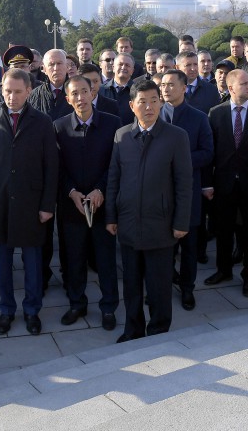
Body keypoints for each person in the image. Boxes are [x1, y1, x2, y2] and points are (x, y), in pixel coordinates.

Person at [107, 79, 192, 343]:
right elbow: (113, 179)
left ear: (161, 102)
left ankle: (158, 331)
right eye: (142, 101)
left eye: (154, 100)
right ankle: (132, 329)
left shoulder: (176, 136)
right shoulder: (122, 136)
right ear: (132, 106)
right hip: (129, 223)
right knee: (131, 285)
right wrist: (111, 216)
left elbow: (184, 184)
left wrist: (181, 222)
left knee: (159, 285)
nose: (149, 106)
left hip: (161, 225)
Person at [0, 68, 58, 336]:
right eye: (7, 91)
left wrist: (47, 205)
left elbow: (51, 167)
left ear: (29, 92)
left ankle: (32, 310)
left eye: (17, 92)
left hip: (32, 203)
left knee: (33, 262)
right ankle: (6, 309)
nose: (11, 97)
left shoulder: (43, 122)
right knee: (2, 262)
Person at [53, 75, 120, 329]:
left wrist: (100, 190)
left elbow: (115, 163)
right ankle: (76, 303)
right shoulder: (58, 127)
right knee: (74, 258)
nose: (81, 97)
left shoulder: (112, 124)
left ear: (93, 93)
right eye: (75, 94)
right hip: (72, 206)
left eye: (85, 91)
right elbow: (57, 168)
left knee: (105, 259)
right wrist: (71, 192)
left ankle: (109, 307)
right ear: (68, 99)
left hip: (102, 204)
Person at [203, 69, 248, 298]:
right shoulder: (215, 113)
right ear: (231, 88)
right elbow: (209, 153)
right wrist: (208, 184)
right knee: (223, 230)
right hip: (222, 185)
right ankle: (223, 270)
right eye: (244, 83)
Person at [159, 69, 214, 310]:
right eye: (163, 85)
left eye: (171, 84)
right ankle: (161, 285)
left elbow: (208, 153)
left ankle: (188, 288)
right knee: (162, 245)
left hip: (188, 191)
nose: (166, 89)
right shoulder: (154, 114)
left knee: (189, 246)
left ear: (184, 87)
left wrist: (179, 159)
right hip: (159, 192)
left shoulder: (198, 117)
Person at [99, 53, 136, 125]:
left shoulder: (138, 92)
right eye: (120, 64)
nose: (123, 67)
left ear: (132, 71)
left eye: (127, 65)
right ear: (113, 68)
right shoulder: (101, 90)